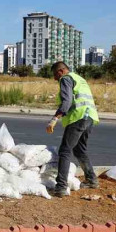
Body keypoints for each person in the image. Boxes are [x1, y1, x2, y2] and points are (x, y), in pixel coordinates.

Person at [45, 61, 100, 197]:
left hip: (78, 117)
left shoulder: (66, 79)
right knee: (79, 150)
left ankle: (61, 187)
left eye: (55, 75)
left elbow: (67, 101)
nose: (54, 79)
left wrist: (54, 119)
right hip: (90, 117)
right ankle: (92, 179)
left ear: (61, 71)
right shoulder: (79, 78)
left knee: (65, 150)